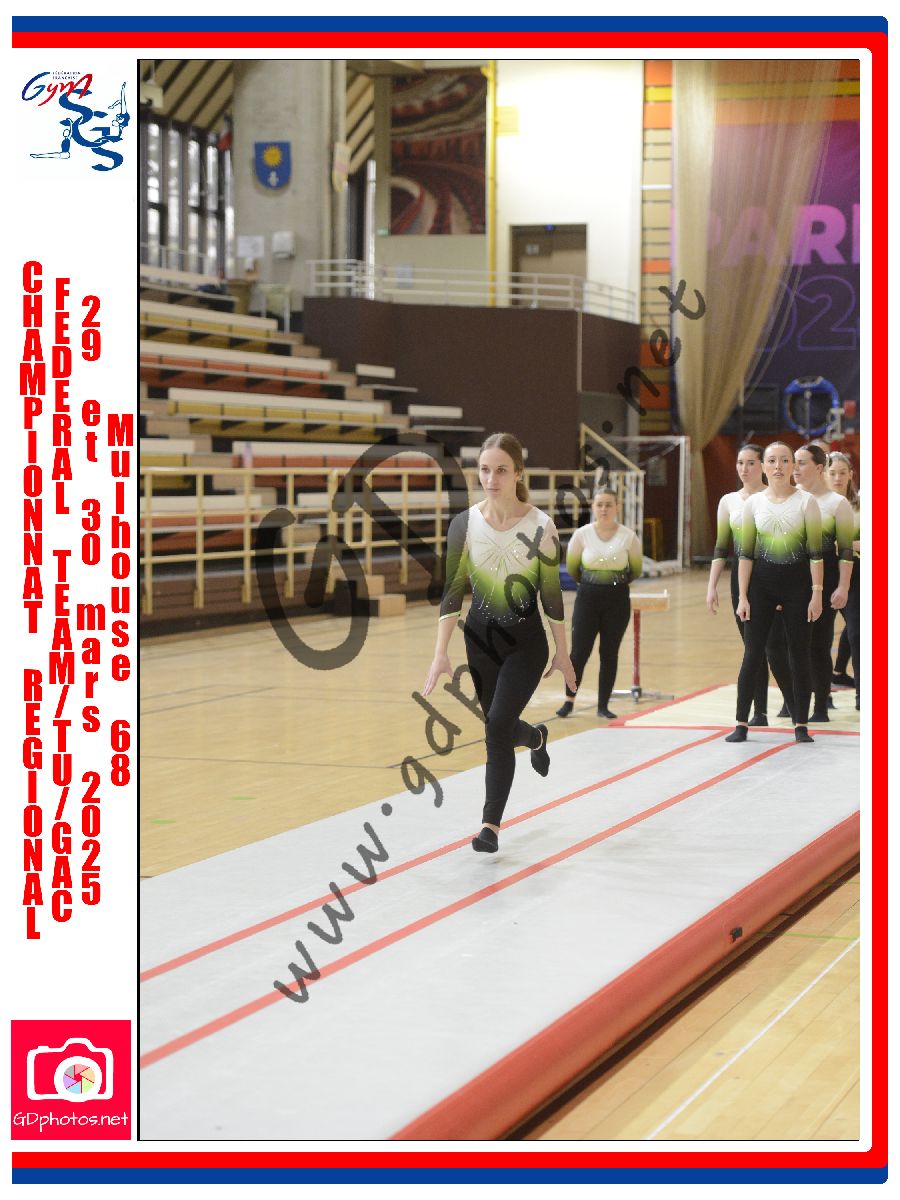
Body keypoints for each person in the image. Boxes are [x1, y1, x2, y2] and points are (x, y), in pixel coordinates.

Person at [422, 432, 576, 853]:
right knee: (500, 727)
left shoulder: (541, 527)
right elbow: (452, 593)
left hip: (527, 644)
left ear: (518, 473)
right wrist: (440, 653)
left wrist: (563, 653)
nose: (491, 479)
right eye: (485, 470)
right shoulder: (464, 524)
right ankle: (536, 738)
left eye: (501, 470)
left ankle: (489, 827)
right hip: (480, 644)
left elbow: (551, 597)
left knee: (496, 727)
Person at [726, 442, 823, 744]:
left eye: (784, 460)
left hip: (798, 588)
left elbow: (815, 554)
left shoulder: (807, 502)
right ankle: (741, 723)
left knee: (799, 654)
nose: (778, 466)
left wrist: (817, 593)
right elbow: (745, 554)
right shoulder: (753, 504)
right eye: (772, 461)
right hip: (761, 588)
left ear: (793, 465)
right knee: (753, 653)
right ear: (764, 467)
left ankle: (801, 724)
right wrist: (743, 596)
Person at [707, 443, 794, 724]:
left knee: (775, 647)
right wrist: (711, 586)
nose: (744, 469)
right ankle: (759, 712)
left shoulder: (777, 498)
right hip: (741, 577)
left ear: (763, 466)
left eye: (751, 463)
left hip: (773, 573)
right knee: (752, 649)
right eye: (740, 463)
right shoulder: (728, 501)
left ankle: (795, 705)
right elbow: (721, 547)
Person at [556, 488, 642, 720]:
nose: (604, 509)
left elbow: (635, 570)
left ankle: (603, 705)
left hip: (617, 601)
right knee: (579, 653)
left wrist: (611, 583)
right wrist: (593, 583)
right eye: (599, 505)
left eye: (608, 505)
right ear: (593, 508)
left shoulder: (628, 537)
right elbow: (573, 569)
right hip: (587, 600)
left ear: (617, 508)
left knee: (609, 653)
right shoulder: (582, 535)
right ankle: (569, 701)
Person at [793, 443, 854, 720]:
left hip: (826, 578)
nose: (794, 468)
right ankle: (793, 702)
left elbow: (846, 550)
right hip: (794, 579)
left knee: (819, 644)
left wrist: (843, 586)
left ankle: (820, 705)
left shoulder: (837, 503)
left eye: (801, 462)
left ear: (819, 468)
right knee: (793, 644)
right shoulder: (789, 499)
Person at [826, 450, 861, 710]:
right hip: (822, 573)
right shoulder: (815, 504)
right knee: (818, 638)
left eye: (842, 472)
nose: (837, 478)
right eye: (832, 473)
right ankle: (820, 695)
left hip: (856, 574)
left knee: (858, 632)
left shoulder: (862, 505)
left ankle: (863, 693)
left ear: (851, 474)